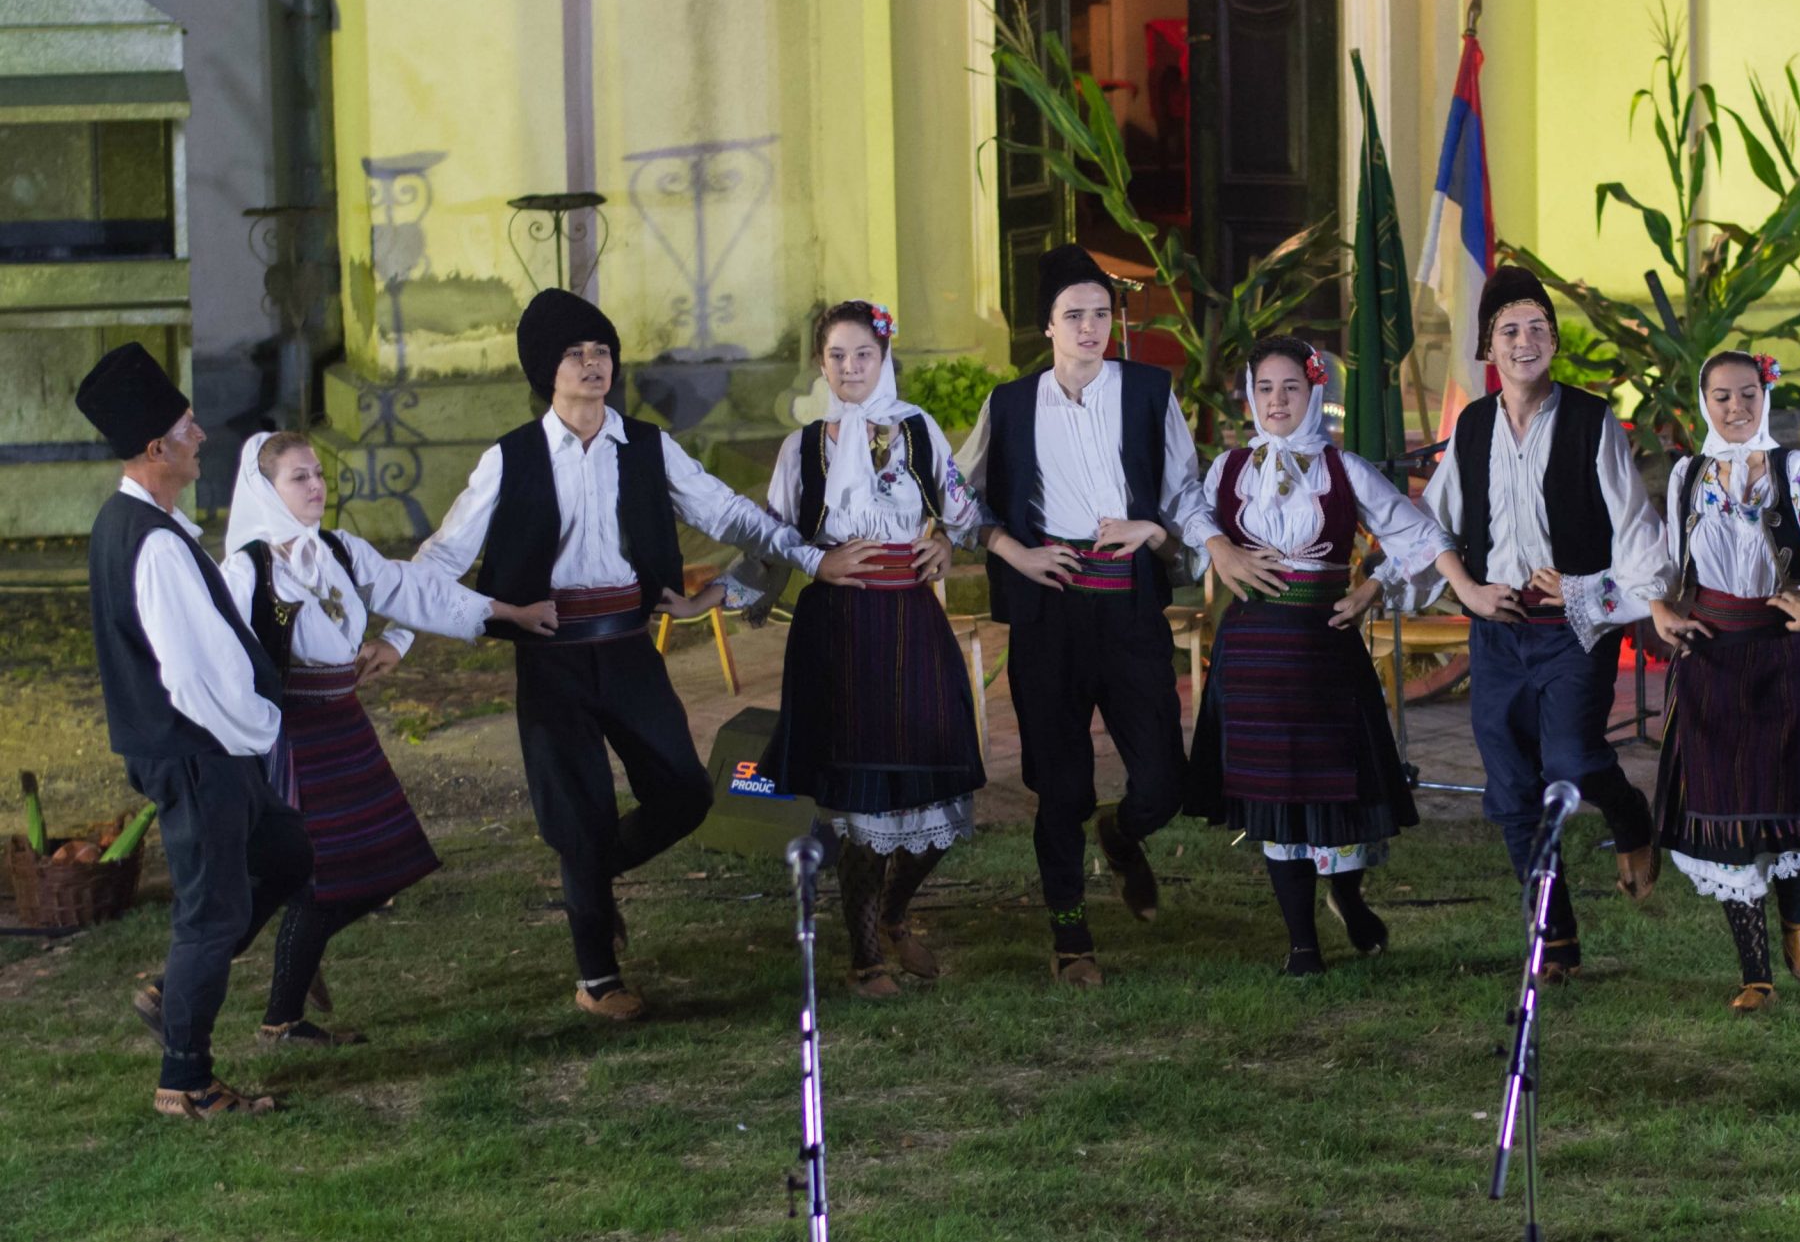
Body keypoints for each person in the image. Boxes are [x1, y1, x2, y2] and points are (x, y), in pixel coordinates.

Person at [411, 288, 814, 1020]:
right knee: (581, 813)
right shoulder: (511, 458)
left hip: (628, 645)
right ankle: (596, 978)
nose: (593, 364)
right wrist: (396, 633)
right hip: (550, 651)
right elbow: (445, 552)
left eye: (601, 350)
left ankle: (589, 886)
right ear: (546, 368)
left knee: (686, 793)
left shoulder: (648, 444)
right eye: (575, 353)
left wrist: (801, 556)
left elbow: (724, 510)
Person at [219, 431, 559, 1044]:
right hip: (290, 735)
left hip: (342, 721)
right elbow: (221, 664)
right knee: (307, 876)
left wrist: (506, 613)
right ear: (263, 489)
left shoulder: (340, 551)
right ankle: (221, 999)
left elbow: (415, 590)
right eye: (299, 477)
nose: (317, 485)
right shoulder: (246, 571)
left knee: (380, 863)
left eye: (319, 472)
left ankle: (284, 1003)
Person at [954, 245, 1219, 987]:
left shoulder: (1146, 390)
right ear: (1047, 325)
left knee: (1165, 778)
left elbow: (1184, 491)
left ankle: (1125, 830)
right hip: (1050, 615)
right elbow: (957, 490)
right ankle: (1070, 933)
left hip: (1129, 608)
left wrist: (1157, 532)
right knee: (1061, 786)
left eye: (1101, 314)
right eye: (1074, 315)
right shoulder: (1010, 404)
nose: (1089, 328)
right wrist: (1013, 550)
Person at [76, 343, 311, 1118]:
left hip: (204, 750)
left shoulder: (136, 522)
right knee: (210, 914)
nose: (201, 433)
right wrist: (264, 724)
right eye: (187, 425)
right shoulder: (151, 543)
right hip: (200, 751)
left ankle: (171, 992)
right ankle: (186, 1079)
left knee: (286, 854)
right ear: (155, 449)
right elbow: (194, 675)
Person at [1421, 266, 1669, 980]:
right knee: (1510, 791)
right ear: (1487, 348)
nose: (1524, 342)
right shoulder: (1472, 426)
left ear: (1554, 340)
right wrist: (1467, 588)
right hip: (1496, 630)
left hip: (1574, 629)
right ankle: (1553, 937)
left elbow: (1638, 534)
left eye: (1537, 328)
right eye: (1509, 330)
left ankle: (1630, 817)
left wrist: (1587, 588)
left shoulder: (1593, 422)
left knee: (1569, 759)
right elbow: (1431, 526)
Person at [734, 300, 985, 998]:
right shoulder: (802, 447)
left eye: (863, 355)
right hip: (837, 629)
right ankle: (866, 954)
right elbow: (773, 534)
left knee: (940, 770)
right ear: (821, 364)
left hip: (911, 620)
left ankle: (898, 913)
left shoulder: (920, 432)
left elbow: (964, 510)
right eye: (837, 356)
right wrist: (731, 595)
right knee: (860, 795)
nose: (850, 368)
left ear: (884, 358)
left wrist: (943, 540)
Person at [1181, 338, 1449, 975]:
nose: (1277, 401)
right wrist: (1220, 547)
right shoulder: (1227, 469)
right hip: (1253, 653)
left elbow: (1420, 534)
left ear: (1313, 395)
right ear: (1251, 396)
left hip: (1324, 649)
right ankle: (1302, 942)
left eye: (1290, 389)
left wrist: (1374, 588)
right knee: (1276, 798)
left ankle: (1348, 897)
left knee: (1340, 792)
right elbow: (1185, 513)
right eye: (1265, 388)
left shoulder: (1345, 469)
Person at [1646, 353, 1800, 1013]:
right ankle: (1756, 972)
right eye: (1722, 395)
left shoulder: (1794, 470)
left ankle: (1797, 914)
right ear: (1703, 400)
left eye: (1747, 393)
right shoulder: (1687, 474)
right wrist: (1659, 606)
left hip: (1778, 645)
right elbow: (1666, 556)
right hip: (1709, 648)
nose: (1736, 406)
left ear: (1764, 395)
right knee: (1719, 805)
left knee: (1788, 792)